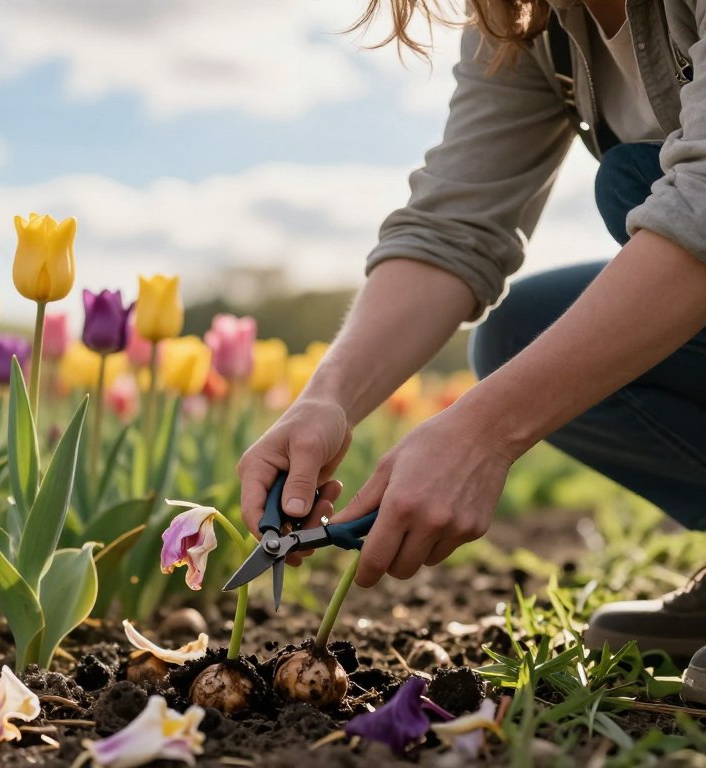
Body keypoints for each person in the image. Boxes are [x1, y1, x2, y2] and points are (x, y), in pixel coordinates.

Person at [236, 0, 706, 702]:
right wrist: (327, 398)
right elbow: (453, 228)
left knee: (636, 187)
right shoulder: (525, 21)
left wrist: (484, 432)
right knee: (522, 334)